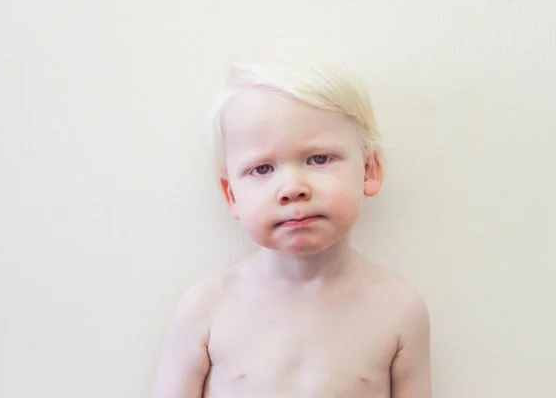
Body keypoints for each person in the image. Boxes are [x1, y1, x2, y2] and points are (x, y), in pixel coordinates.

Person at [153, 51, 431, 398]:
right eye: (262, 169)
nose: (292, 188)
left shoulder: (399, 309)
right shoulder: (206, 307)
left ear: (369, 170)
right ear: (231, 194)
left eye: (318, 159)